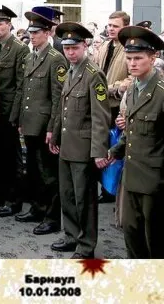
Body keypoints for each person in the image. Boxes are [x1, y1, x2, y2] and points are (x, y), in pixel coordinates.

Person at [106, 26, 164, 259]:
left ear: (153, 57)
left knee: (158, 242)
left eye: (138, 58)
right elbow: (133, 131)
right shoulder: (132, 90)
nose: (132, 63)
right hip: (131, 179)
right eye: (129, 58)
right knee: (132, 235)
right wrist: (116, 150)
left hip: (156, 184)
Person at [49, 23, 110, 258]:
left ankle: (86, 245)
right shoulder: (72, 70)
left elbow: (100, 117)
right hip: (67, 145)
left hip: (84, 149)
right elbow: (63, 107)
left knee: (85, 200)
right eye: (67, 49)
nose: (70, 53)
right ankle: (72, 236)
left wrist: (98, 151)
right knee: (68, 195)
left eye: (74, 48)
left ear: (85, 46)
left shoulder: (94, 75)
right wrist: (55, 135)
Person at [12, 9, 67, 235]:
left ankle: (52, 217)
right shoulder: (30, 55)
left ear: (47, 32)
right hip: (30, 123)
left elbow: (57, 98)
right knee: (33, 171)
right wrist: (18, 119)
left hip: (45, 125)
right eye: (31, 32)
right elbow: (24, 90)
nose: (32, 36)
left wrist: (53, 129)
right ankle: (37, 208)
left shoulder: (56, 59)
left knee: (49, 174)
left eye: (36, 32)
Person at [0, 4, 29, 217]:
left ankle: (14, 200)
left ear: (9, 25)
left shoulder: (19, 48)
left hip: (9, 110)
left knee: (12, 158)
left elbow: (21, 85)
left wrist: (15, 115)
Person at [93, 11, 132, 203]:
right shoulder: (104, 46)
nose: (110, 29)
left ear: (125, 27)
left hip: (118, 106)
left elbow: (132, 78)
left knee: (116, 148)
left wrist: (113, 89)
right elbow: (95, 70)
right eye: (109, 25)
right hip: (101, 105)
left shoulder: (129, 48)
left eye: (115, 26)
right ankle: (105, 187)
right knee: (102, 144)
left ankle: (114, 190)